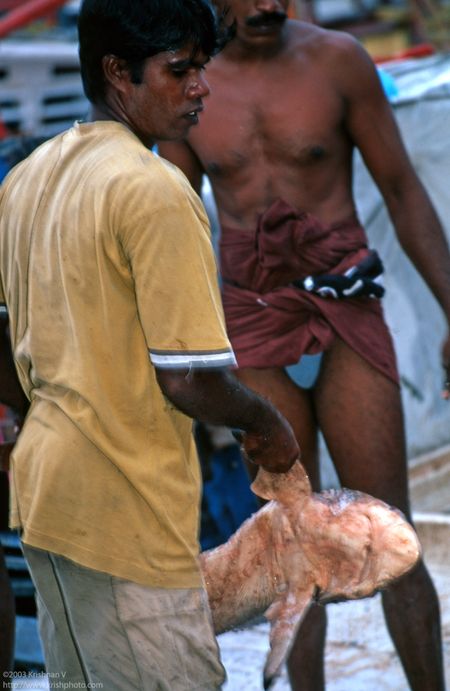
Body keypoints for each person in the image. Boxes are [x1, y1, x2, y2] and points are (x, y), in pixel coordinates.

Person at [0, 1, 300, 689]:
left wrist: (41, 408)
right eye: (179, 70)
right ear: (117, 74)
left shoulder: (27, 178)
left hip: (45, 496)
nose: (201, 88)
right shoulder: (155, 190)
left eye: (202, 68)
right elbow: (189, 378)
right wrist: (267, 422)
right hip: (122, 512)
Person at [158, 1, 450, 689]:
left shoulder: (337, 62)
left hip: (346, 311)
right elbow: (165, 221)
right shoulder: (190, 84)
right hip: (255, 323)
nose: (267, 5)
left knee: (392, 537)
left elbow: (404, 190)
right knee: (293, 542)